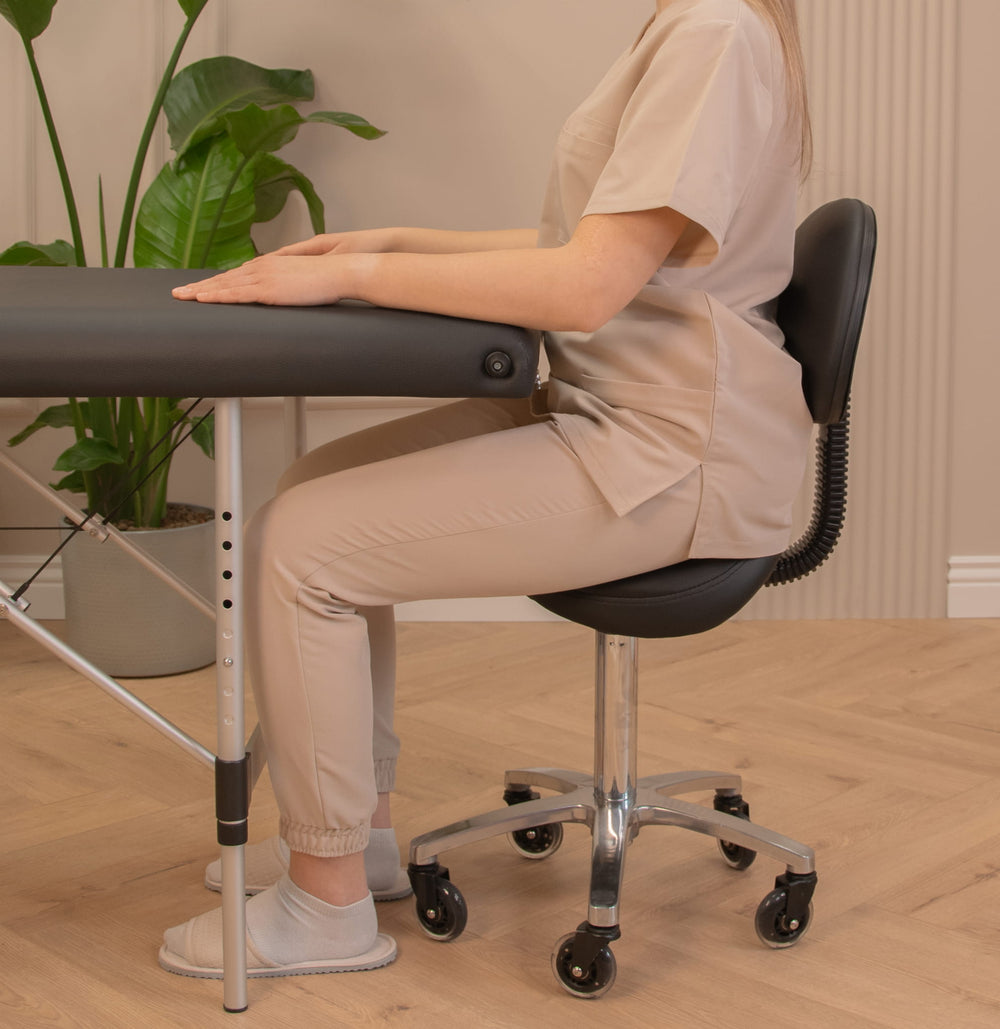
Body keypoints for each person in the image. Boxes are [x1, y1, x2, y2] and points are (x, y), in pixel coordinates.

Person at [160, 0, 813, 978]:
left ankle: (324, 908)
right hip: (609, 402)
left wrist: (361, 277)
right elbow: (580, 241)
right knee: (306, 494)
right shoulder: (694, 22)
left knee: (307, 547)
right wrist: (384, 246)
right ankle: (357, 841)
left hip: (673, 450)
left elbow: (584, 288)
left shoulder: (714, 32)